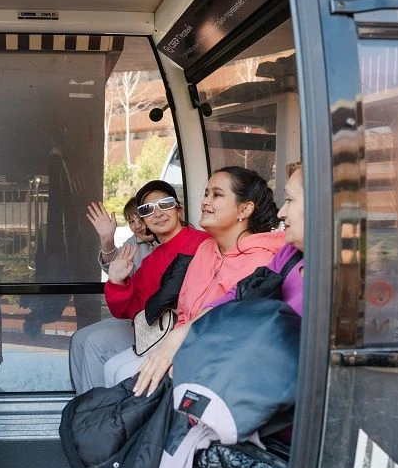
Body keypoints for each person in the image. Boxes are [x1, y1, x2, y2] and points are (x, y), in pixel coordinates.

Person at [133, 162, 304, 468]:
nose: (283, 212)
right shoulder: (287, 257)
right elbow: (235, 298)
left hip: (270, 417)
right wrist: (180, 338)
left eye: (291, 201)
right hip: (229, 377)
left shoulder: (329, 274)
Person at [103, 166, 285, 388]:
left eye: (216, 195)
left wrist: (179, 352)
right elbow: (182, 313)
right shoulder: (206, 250)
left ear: (244, 209)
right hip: (180, 343)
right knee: (113, 370)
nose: (205, 202)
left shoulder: (260, 262)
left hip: (218, 364)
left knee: (123, 376)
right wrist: (117, 280)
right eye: (206, 194)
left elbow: (234, 333)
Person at [69, 181, 210, 395]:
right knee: (97, 352)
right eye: (148, 210)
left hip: (191, 334)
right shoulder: (151, 260)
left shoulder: (205, 242)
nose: (158, 213)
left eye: (165, 204)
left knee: (106, 357)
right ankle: (91, 408)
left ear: (178, 208)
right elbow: (128, 309)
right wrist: (117, 282)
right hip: (155, 332)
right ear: (144, 221)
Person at [87, 198, 156, 275]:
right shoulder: (132, 244)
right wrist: (107, 239)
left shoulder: (166, 238)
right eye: (131, 221)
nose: (137, 226)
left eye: (140, 218)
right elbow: (114, 267)